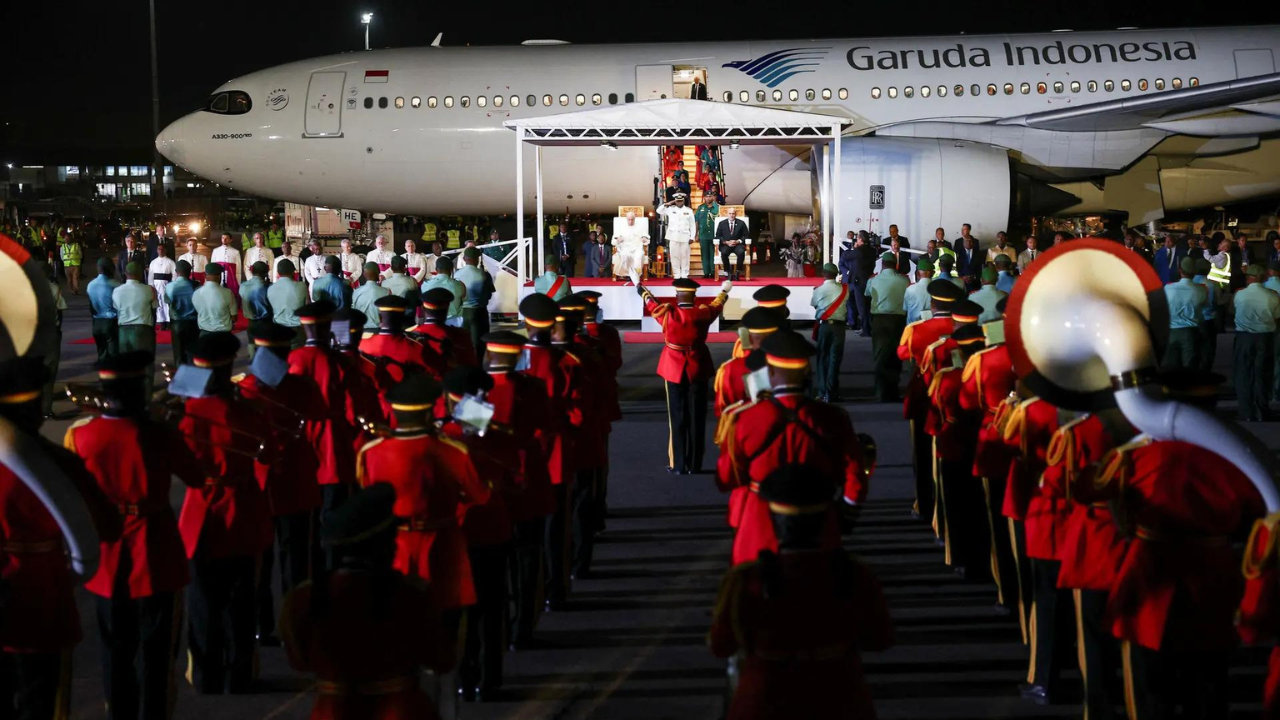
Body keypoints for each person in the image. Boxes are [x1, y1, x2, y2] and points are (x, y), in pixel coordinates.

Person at [66, 351, 205, 720]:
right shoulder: (158, 433)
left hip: (107, 553)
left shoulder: (82, 436)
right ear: (141, 387)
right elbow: (197, 476)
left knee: (115, 652)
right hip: (155, 548)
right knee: (157, 654)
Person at [709, 464, 893, 720]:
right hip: (840, 700)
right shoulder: (856, 574)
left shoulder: (745, 580)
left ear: (774, 521)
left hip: (763, 703)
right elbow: (879, 639)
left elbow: (721, 645)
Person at [278, 483, 456, 720]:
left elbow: (299, 661)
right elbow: (442, 659)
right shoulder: (410, 595)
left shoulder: (304, 598)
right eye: (391, 538)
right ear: (379, 545)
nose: (395, 545)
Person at [715, 331, 869, 565]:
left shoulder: (744, 418)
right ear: (806, 373)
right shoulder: (834, 417)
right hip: (819, 521)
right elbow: (854, 476)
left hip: (760, 521)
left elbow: (726, 479)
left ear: (770, 373)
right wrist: (846, 513)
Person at [176, 332, 274, 694]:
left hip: (200, 512)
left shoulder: (184, 411)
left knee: (203, 602)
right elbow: (268, 456)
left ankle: (205, 674)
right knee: (240, 601)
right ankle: (239, 674)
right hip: (243, 508)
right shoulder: (248, 411)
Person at [640, 277, 729, 473]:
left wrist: (641, 289)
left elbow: (651, 304)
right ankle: (695, 464)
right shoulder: (703, 313)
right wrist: (724, 292)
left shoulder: (667, 314)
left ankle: (678, 464)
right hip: (698, 366)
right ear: (694, 296)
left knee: (677, 417)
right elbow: (717, 305)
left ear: (676, 295)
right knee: (697, 417)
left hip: (672, 368)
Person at [1235, 264, 1280, 421]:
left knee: (1244, 373)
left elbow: (1235, 310)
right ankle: (1261, 410)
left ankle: (1246, 410)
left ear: (1249, 278)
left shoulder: (1239, 294)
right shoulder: (1272, 296)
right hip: (1265, 338)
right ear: (1263, 278)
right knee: (1262, 374)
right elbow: (1276, 317)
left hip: (1243, 338)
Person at [865, 251, 910, 403]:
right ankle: (893, 391)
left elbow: (867, 294)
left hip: (879, 320)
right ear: (895, 265)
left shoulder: (873, 280)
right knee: (895, 356)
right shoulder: (904, 281)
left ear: (883, 264)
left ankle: (880, 391)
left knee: (880, 355)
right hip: (898, 321)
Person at [810, 263, 849, 402]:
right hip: (839, 328)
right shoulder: (845, 289)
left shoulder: (818, 290)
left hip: (824, 327)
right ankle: (831, 392)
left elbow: (814, 304)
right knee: (835, 359)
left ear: (823, 274)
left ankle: (822, 392)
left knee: (822, 359)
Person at [1163, 257, 1210, 370]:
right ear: (1194, 273)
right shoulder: (1201, 290)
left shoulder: (1167, 288)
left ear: (1180, 270)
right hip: (1191, 332)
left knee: (1171, 367)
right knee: (1190, 367)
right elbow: (1205, 305)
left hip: (1171, 331)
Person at [112, 262, 158, 360]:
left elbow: (116, 309)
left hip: (124, 331)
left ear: (125, 273)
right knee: (145, 364)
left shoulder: (117, 291)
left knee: (126, 367)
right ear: (141, 274)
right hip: (143, 330)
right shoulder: (150, 290)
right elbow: (154, 310)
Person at [454, 247, 493, 352]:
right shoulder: (484, 275)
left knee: (463, 344)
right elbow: (488, 295)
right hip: (479, 312)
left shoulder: (456, 274)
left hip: (462, 312)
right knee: (480, 344)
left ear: (464, 259)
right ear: (477, 259)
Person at [839, 231, 876, 337]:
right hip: (869, 281)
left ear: (860, 239)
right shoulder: (872, 251)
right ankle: (868, 326)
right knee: (868, 306)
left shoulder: (858, 251)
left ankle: (865, 330)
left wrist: (855, 248)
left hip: (859, 282)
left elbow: (845, 256)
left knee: (861, 307)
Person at [266, 259, 308, 348]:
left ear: (278, 273)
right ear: (293, 272)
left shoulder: (271, 289)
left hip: (278, 329)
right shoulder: (301, 286)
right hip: (296, 330)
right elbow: (306, 308)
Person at [88, 258, 121, 365]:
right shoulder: (115, 285)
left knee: (101, 354)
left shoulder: (90, 285)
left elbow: (91, 306)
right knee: (113, 356)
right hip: (111, 322)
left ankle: (103, 378)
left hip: (97, 322)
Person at [657, 193, 697, 280]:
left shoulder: (688, 211)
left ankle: (684, 274)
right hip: (673, 236)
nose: (679, 202)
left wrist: (692, 237)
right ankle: (676, 274)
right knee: (674, 256)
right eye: (677, 201)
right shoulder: (670, 209)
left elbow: (692, 225)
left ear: (683, 201)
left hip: (685, 236)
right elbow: (659, 211)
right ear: (675, 201)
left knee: (685, 256)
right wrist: (668, 203)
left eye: (681, 201)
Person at [192, 263, 237, 335]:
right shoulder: (228, 293)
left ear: (205, 275)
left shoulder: (196, 293)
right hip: (223, 334)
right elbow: (234, 317)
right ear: (219, 276)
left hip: (204, 334)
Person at [241, 262, 274, 356]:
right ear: (265, 273)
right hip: (266, 320)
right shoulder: (268, 287)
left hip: (251, 320)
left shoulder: (243, 286)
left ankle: (253, 359)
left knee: (252, 342)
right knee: (266, 344)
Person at [421, 256, 467, 324]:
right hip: (454, 323)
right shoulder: (459, 285)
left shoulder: (425, 285)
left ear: (436, 269)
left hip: (432, 323)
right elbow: (465, 300)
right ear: (451, 270)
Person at [147, 243, 176, 332]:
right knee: (159, 304)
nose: (160, 250)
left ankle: (168, 322)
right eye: (159, 249)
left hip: (166, 286)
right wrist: (151, 286)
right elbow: (150, 275)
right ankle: (161, 322)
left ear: (165, 250)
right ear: (157, 250)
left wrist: (172, 285)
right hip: (156, 286)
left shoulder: (170, 262)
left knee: (166, 304)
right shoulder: (153, 262)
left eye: (162, 249)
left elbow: (174, 274)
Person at [352, 263, 391, 330]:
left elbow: (354, 313)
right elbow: (389, 316)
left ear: (364, 274)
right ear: (378, 274)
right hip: (379, 331)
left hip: (361, 331)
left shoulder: (356, 292)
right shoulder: (386, 292)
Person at [612, 213, 648, 283]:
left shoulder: (640, 227)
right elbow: (615, 239)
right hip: (625, 248)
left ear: (634, 219)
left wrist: (644, 238)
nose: (631, 221)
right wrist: (618, 239)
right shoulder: (621, 227)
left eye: (632, 220)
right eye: (629, 220)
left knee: (639, 256)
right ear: (626, 219)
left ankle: (636, 274)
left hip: (637, 247)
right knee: (625, 256)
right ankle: (628, 274)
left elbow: (645, 236)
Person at [716, 206, 749, 281]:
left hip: (737, 244)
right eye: (730, 213)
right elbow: (717, 236)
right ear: (727, 214)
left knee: (741, 252)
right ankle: (728, 271)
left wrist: (738, 241)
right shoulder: (722, 223)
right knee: (724, 253)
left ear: (735, 214)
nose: (731, 215)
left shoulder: (741, 223)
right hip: (726, 244)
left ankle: (738, 271)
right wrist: (726, 242)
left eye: (733, 213)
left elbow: (746, 235)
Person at [211, 234, 243, 302]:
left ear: (231, 240)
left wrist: (238, 283)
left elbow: (238, 270)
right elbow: (213, 267)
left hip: (231, 279)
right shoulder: (216, 251)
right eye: (223, 238)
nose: (224, 239)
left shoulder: (236, 252)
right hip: (219, 278)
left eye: (226, 238)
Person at [695, 194, 721, 279]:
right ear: (704, 198)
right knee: (704, 255)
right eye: (707, 196)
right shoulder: (700, 208)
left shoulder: (717, 207)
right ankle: (706, 272)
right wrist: (696, 234)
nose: (708, 198)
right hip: (703, 234)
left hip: (715, 234)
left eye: (710, 196)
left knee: (714, 254)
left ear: (713, 197)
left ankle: (713, 272)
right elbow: (697, 221)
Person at [903, 256, 934, 325]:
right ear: (933, 273)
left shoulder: (910, 289)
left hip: (913, 328)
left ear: (917, 274)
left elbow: (905, 308)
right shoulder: (938, 289)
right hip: (931, 328)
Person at [58, 225, 83, 294]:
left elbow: (80, 254)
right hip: (67, 265)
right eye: (65, 239)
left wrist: (76, 260)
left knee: (75, 277)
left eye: (68, 238)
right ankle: (71, 289)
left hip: (75, 264)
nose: (67, 240)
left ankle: (75, 290)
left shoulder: (76, 245)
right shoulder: (62, 247)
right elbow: (62, 256)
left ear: (71, 239)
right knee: (69, 279)